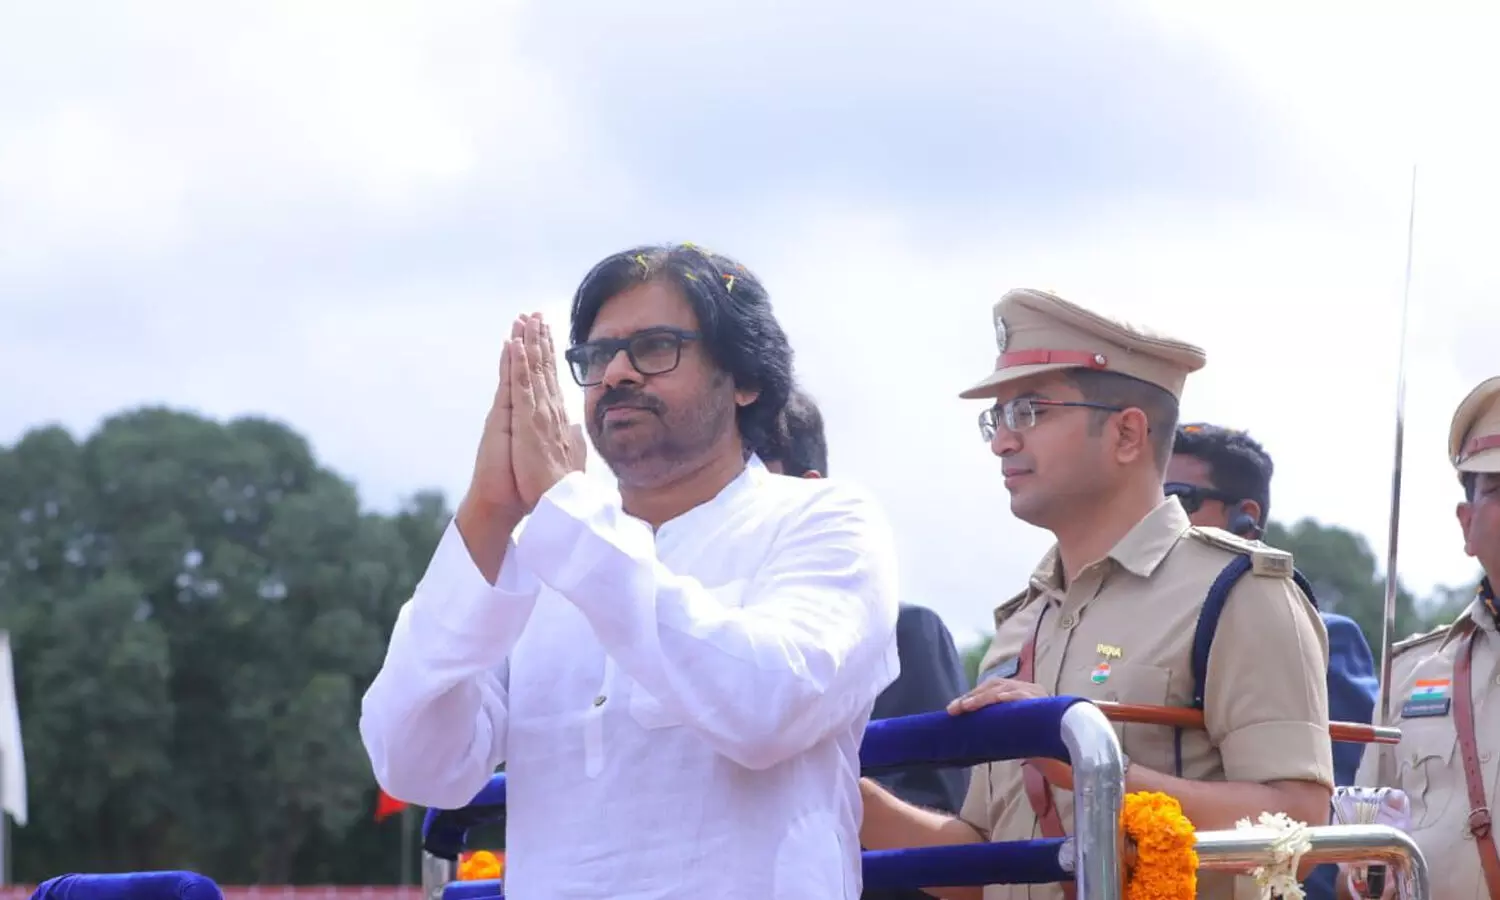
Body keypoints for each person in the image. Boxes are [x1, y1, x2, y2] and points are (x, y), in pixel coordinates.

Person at [359, 243, 902, 900]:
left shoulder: (823, 521)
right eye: (595, 356)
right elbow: (416, 764)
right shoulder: (548, 555)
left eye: (653, 348)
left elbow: (767, 711)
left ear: (744, 379)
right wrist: (486, 509)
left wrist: (570, 519)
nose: (615, 373)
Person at [858, 287, 1334, 900]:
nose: (1003, 440)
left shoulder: (1237, 594)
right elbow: (983, 864)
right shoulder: (1023, 623)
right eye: (997, 419)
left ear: (1128, 434)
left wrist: (1092, 769)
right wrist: (841, 787)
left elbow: (1296, 832)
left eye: (1030, 411)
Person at [759, 388, 972, 900]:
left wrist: (808, 774)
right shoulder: (656, 646)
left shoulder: (905, 635)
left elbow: (937, 834)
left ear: (807, 493)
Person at [1168, 423, 1378, 900]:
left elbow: (1331, 804)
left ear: (1248, 517)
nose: (1162, 520)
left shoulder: (1328, 637)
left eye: (1178, 500)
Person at [1337, 375, 1500, 899]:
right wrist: (1361, 879)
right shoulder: (1409, 676)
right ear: (1467, 524)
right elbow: (1353, 864)